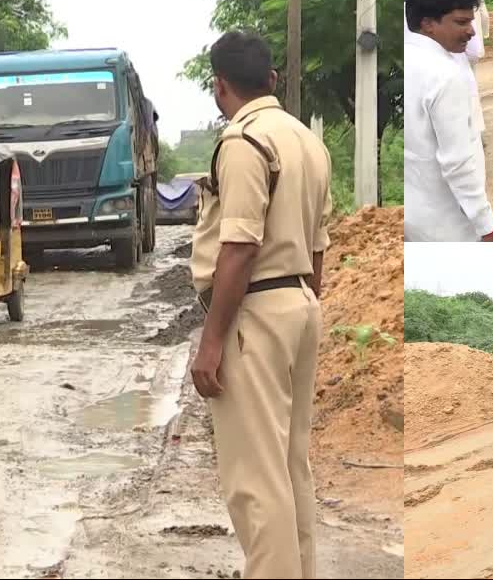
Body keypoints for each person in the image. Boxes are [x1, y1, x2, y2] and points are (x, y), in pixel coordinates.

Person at [187, 31, 332, 579]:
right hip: (299, 303)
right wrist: (301, 310)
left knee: (255, 480)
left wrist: (213, 339)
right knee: (291, 468)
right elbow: (318, 246)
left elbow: (240, 245)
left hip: (256, 311)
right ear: (271, 79)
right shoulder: (306, 141)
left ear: (219, 85)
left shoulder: (245, 142)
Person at [404, 0, 493, 242]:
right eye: (461, 22)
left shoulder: (408, 62)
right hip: (449, 225)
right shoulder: (446, 74)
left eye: (471, 22)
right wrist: (489, 228)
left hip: (415, 221)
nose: (472, 32)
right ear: (428, 24)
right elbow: (458, 163)